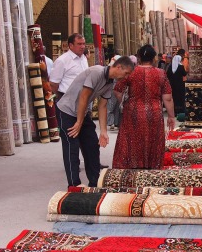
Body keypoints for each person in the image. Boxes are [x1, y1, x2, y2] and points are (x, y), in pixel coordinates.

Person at [56, 56, 135, 187]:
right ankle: (74, 185)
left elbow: (102, 106)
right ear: (119, 67)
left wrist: (103, 131)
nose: (125, 77)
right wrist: (79, 123)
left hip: (82, 112)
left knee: (92, 145)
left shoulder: (110, 83)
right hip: (67, 111)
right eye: (126, 73)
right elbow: (84, 97)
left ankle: (95, 182)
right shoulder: (96, 72)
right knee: (72, 147)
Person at [112, 44, 175, 169]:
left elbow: (117, 90)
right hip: (154, 112)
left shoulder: (131, 72)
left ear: (139, 57)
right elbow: (167, 97)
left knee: (132, 140)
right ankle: (151, 167)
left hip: (133, 112)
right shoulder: (161, 73)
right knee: (153, 141)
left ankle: (132, 168)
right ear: (154, 58)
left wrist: (124, 103)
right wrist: (171, 116)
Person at [49, 33, 89, 103]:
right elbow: (53, 84)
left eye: (83, 44)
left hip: (83, 98)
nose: (82, 47)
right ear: (71, 45)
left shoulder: (84, 58)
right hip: (67, 99)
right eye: (79, 44)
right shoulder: (62, 60)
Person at [166, 48, 187, 120]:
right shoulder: (180, 66)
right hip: (180, 85)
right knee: (180, 98)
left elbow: (167, 75)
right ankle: (180, 111)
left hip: (172, 85)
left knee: (174, 98)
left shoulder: (170, 67)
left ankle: (174, 111)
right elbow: (184, 74)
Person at [106, 55, 122, 130]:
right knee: (111, 105)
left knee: (116, 106)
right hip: (112, 88)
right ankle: (111, 122)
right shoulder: (112, 68)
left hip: (117, 88)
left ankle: (115, 122)